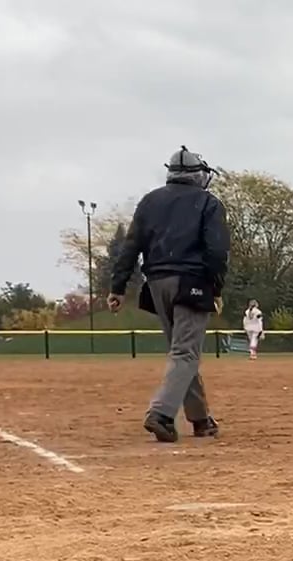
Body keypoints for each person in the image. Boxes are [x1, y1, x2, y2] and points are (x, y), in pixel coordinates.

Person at [105, 146, 230, 443]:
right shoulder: (208, 203)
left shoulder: (150, 201)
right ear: (197, 175)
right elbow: (217, 251)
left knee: (182, 352)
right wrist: (216, 287)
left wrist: (118, 287)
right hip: (191, 280)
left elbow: (130, 246)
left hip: (156, 283)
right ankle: (160, 413)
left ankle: (200, 419)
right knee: (185, 352)